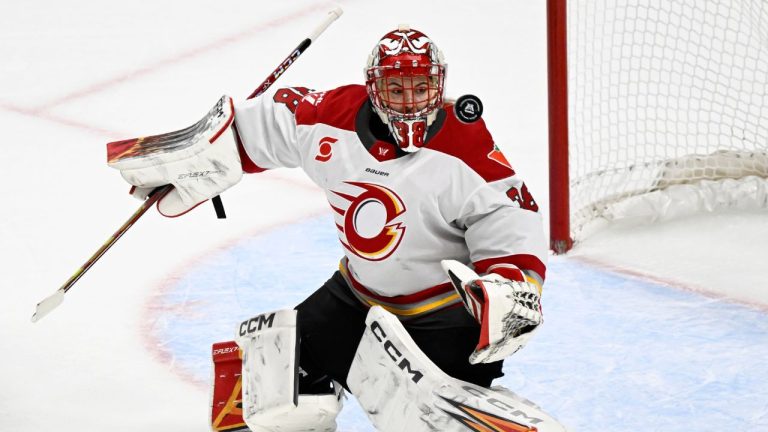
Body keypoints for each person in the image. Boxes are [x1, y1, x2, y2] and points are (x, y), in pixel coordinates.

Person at [109, 25, 551, 432]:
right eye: (396, 88)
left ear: (439, 86)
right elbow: (265, 125)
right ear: (374, 89)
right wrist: (207, 155)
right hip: (355, 298)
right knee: (266, 380)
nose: (410, 101)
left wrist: (508, 286)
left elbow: (509, 218)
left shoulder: (466, 147)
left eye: (420, 88)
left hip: (439, 320)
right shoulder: (332, 116)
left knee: (436, 419)